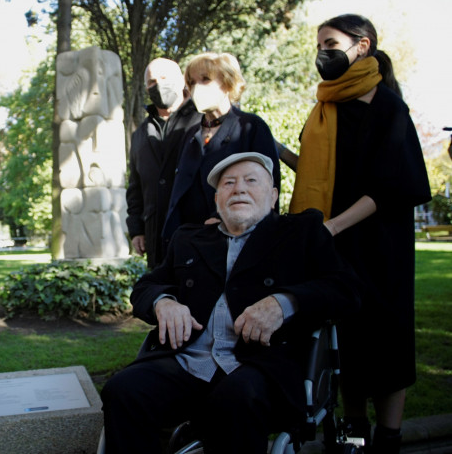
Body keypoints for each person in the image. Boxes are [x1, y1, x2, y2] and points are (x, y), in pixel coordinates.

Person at [101, 152, 360, 453]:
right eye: (229, 183)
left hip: (260, 367)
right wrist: (164, 302)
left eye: (251, 181)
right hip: (187, 363)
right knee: (123, 391)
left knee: (237, 398)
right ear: (217, 199)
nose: (239, 189)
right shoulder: (189, 238)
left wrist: (283, 303)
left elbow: (347, 289)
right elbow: (147, 286)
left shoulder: (301, 233)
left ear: (273, 196)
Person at [289, 14, 431, 452]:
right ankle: (354, 439)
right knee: (346, 344)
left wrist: (330, 226)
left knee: (386, 345)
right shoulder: (324, 110)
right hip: (338, 249)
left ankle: (388, 441)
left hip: (381, 248)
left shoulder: (389, 108)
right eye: (318, 46)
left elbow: (392, 187)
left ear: (363, 46)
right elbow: (323, 178)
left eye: (330, 43)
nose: (322, 54)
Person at [161, 52, 281, 249]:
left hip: (234, 242)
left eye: (205, 79)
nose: (196, 87)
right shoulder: (189, 134)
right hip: (187, 243)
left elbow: (269, 187)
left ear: (227, 82)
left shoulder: (251, 127)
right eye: (191, 83)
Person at [126, 58, 201, 268]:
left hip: (197, 233)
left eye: (165, 78)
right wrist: (137, 229)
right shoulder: (141, 133)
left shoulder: (202, 121)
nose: (158, 84)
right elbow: (136, 186)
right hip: (156, 238)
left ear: (182, 81)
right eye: (152, 81)